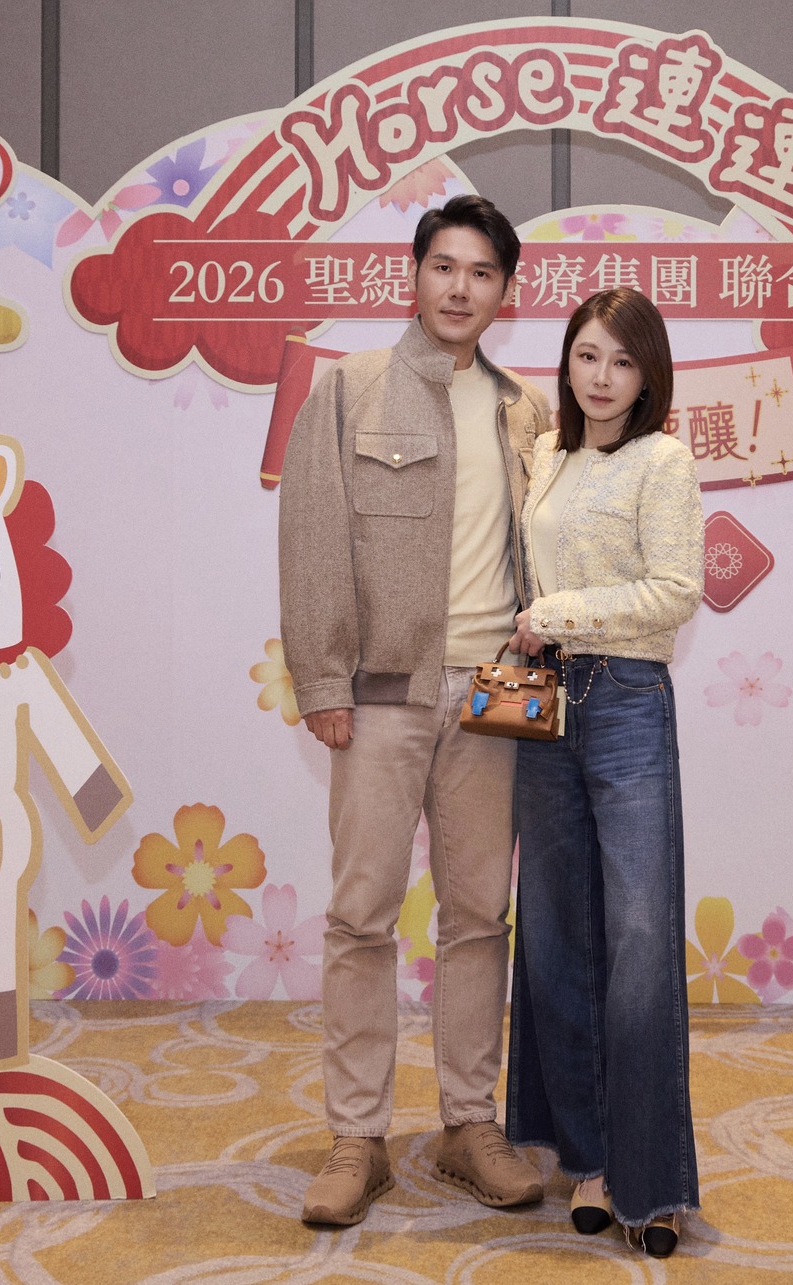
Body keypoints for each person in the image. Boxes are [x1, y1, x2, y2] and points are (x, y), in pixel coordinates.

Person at [278, 194, 552, 1226]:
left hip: (500, 690)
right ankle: (357, 1137)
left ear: (504, 291)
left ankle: (468, 1122)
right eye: (444, 266)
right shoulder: (349, 388)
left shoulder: (524, 410)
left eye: (481, 273)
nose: (459, 288)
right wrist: (322, 681)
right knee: (361, 916)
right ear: (415, 273)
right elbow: (311, 538)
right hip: (383, 693)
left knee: (480, 915)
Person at [503, 287, 704, 1258]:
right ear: (567, 360)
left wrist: (556, 615)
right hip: (543, 705)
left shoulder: (664, 461)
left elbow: (675, 591)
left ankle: (651, 1180)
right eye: (587, 355)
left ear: (647, 373)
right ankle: (586, 1159)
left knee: (637, 941)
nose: (601, 376)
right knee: (555, 935)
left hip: (624, 698)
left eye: (622, 361)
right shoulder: (547, 453)